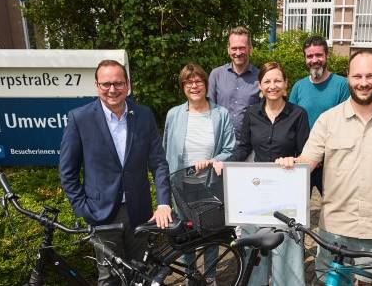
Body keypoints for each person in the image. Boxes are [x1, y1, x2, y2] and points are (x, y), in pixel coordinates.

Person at [277, 50, 372, 285]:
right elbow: (308, 162)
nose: (364, 83)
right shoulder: (328, 119)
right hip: (334, 230)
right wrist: (290, 163)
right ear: (348, 77)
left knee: (370, 283)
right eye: (358, 76)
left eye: (371, 76)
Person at [59, 59, 172, 285]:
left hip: (139, 212)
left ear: (128, 85)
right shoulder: (80, 118)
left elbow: (158, 162)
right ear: (97, 85)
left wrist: (162, 202)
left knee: (140, 275)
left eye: (118, 83)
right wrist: (83, 209)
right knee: (109, 278)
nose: (112, 89)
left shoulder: (143, 115)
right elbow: (67, 172)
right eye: (106, 84)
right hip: (101, 214)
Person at [214, 62, 310, 286]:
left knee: (286, 252)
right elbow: (244, 148)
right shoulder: (252, 113)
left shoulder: (298, 114)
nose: (272, 85)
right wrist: (224, 163)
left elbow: (307, 154)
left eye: (277, 80)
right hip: (256, 193)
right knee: (254, 252)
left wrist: (294, 160)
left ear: (286, 85)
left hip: (287, 193)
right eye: (267, 81)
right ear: (260, 86)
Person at [162, 63, 236, 286]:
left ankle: (210, 275)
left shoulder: (220, 114)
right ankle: (189, 275)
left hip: (210, 183)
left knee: (210, 233)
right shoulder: (173, 114)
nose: (194, 86)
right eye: (188, 82)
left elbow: (230, 149)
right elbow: (165, 149)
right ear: (183, 86)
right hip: (181, 184)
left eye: (198, 81)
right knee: (186, 233)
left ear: (206, 84)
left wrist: (214, 161)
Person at [288, 35, 349, 195]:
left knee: (335, 210)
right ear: (305, 58)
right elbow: (291, 123)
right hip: (303, 161)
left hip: (331, 163)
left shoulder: (342, 85)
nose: (314, 60)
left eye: (319, 55)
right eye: (310, 56)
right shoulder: (299, 87)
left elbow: (345, 125)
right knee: (297, 208)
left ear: (327, 55)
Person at [208, 26, 261, 135]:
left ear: (250, 49)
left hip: (249, 144)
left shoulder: (261, 78)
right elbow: (209, 109)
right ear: (228, 49)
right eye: (234, 48)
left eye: (242, 48)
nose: (238, 52)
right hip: (221, 141)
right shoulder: (216, 75)